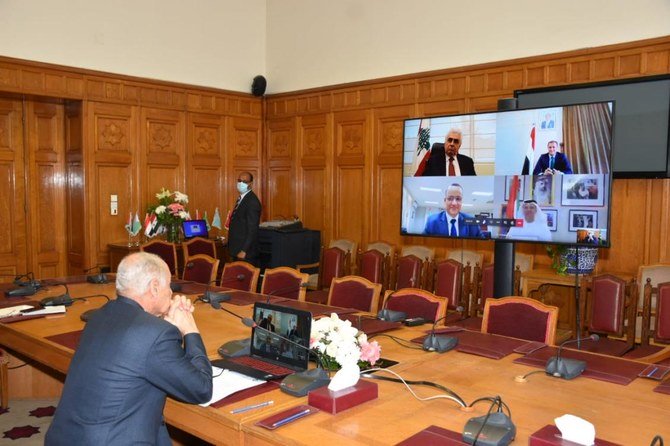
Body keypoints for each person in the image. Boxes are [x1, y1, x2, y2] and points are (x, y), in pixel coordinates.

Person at [46, 252, 213, 445]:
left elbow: (137, 344)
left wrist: (162, 324)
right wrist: (190, 330)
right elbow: (201, 389)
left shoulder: (99, 316)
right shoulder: (156, 334)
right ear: (155, 287)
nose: (171, 292)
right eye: (169, 286)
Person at [228, 171, 262, 265]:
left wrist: (244, 250)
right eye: (239, 180)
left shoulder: (252, 202)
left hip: (246, 253)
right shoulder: (242, 198)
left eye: (244, 181)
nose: (241, 183)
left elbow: (253, 229)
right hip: (237, 248)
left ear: (250, 183)